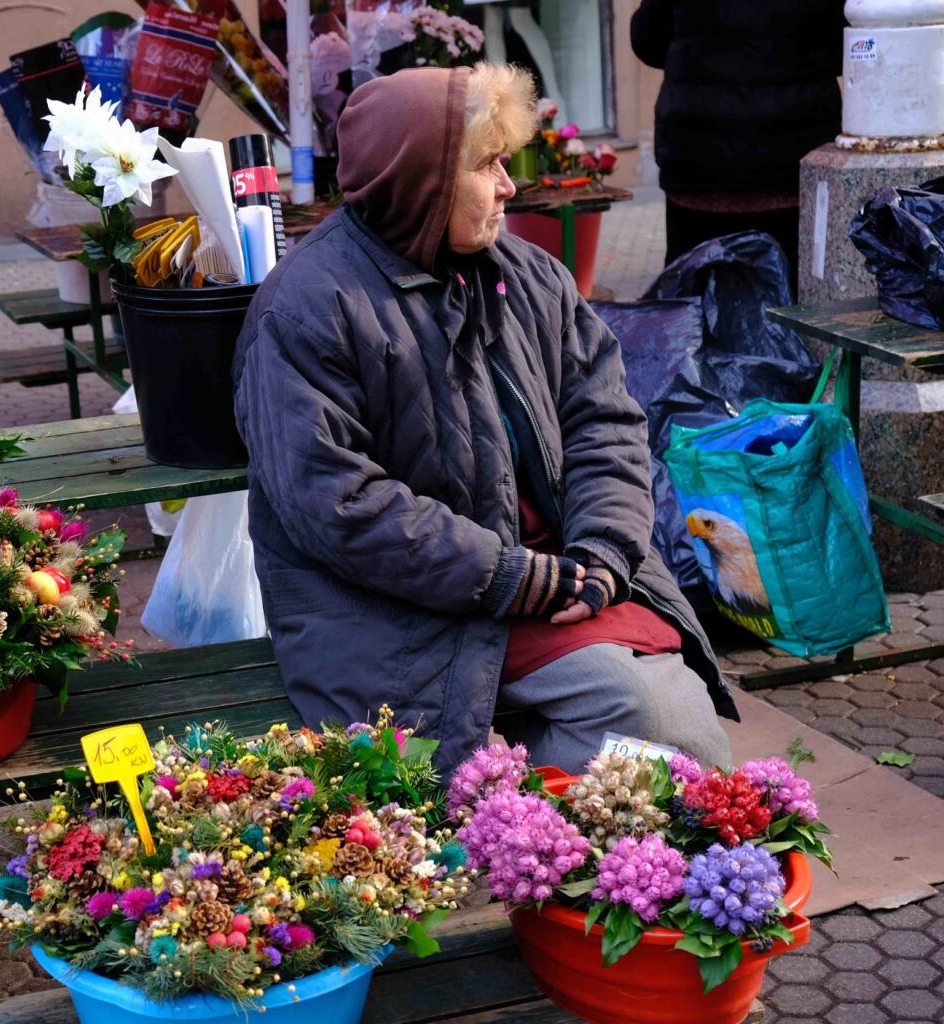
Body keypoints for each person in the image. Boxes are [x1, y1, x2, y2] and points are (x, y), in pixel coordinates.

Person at [232, 63, 736, 773]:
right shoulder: (308, 306)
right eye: (488, 164)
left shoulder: (531, 276)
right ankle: (528, 808)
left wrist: (604, 553)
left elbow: (607, 425)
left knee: (663, 716)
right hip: (394, 610)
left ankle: (531, 797)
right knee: (657, 720)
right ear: (422, 179)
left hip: (549, 580)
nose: (509, 186)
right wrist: (507, 576)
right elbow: (338, 504)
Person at [631, 0, 845, 289]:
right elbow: (844, 46)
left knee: (692, 307)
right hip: (791, 164)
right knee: (793, 306)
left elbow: (648, 42)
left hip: (700, 163)